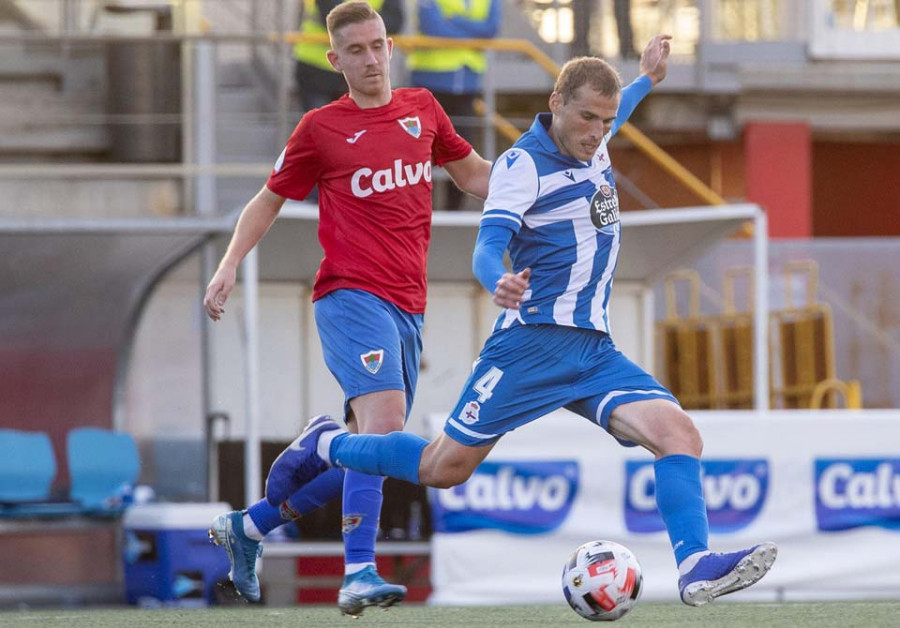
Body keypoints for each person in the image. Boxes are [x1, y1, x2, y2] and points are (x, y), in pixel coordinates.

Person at [264, 34, 780, 608]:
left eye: (606, 121)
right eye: (587, 117)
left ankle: (695, 565)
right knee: (442, 467)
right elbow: (487, 248)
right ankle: (330, 444)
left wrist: (648, 79)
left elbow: (618, 107)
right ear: (556, 102)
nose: (597, 131)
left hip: (592, 352)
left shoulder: (597, 140)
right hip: (529, 347)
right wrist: (498, 281)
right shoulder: (521, 166)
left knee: (678, 433)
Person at [204, 1, 491, 615]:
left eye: (377, 45)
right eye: (355, 51)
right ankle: (358, 571)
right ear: (335, 60)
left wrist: (545, 184)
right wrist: (228, 265)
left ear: (392, 47)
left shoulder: (424, 110)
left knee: (375, 452)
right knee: (386, 427)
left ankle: (252, 525)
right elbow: (267, 198)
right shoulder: (320, 128)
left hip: (409, 306)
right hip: (348, 295)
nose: (370, 59)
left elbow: (474, 177)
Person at [408, 0, 501, 210]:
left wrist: (454, 21)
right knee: (420, 149)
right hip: (430, 80)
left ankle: (452, 211)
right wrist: (473, 35)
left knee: (461, 151)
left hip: (467, 84)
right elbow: (433, 27)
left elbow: (491, 30)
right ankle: (420, 210)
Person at [293, 0, 404, 112]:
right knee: (320, 125)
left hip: (357, 71)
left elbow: (394, 21)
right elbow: (334, 19)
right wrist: (371, 24)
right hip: (316, 66)